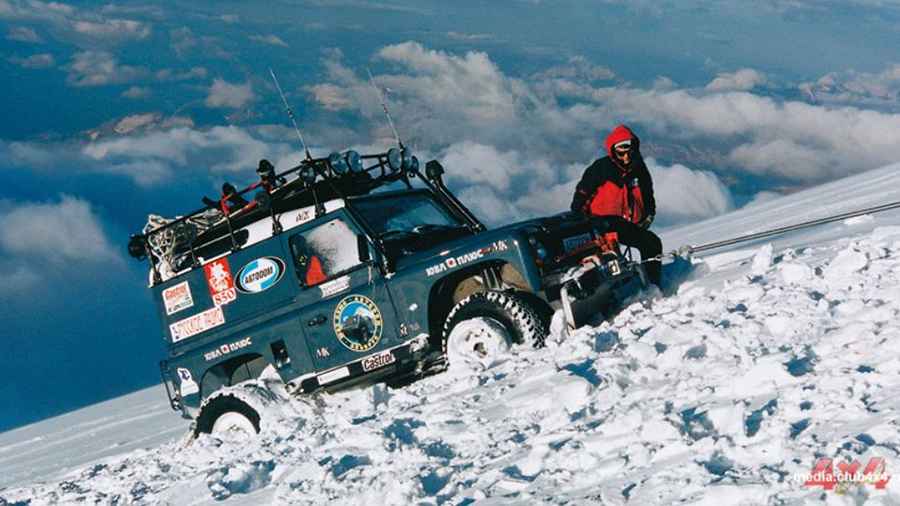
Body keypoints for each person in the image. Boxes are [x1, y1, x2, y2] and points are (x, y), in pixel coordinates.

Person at [571, 124, 662, 287]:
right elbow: (581, 195)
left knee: (652, 243)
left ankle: (653, 284)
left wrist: (649, 215)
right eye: (621, 153)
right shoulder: (601, 168)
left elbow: (648, 194)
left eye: (629, 152)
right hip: (598, 226)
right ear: (613, 152)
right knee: (611, 262)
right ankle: (615, 294)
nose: (626, 157)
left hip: (623, 224)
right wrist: (581, 223)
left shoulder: (639, 169)